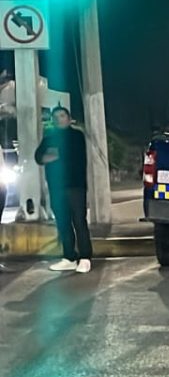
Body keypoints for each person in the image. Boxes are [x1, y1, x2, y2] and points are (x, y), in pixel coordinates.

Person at [34, 106, 93, 273]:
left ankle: (85, 257)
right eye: (55, 117)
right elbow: (39, 157)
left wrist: (54, 155)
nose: (58, 119)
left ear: (68, 118)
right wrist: (52, 156)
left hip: (75, 186)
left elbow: (69, 156)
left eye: (62, 115)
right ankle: (69, 257)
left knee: (79, 221)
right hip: (56, 187)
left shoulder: (77, 135)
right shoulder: (49, 137)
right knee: (62, 222)